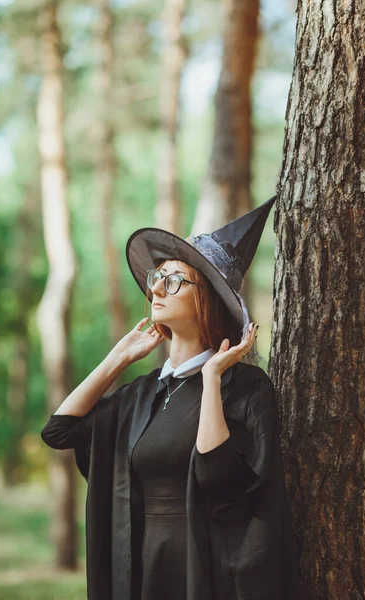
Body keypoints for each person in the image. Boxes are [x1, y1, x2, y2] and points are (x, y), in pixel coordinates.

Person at [41, 195, 300, 600]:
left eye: (174, 279)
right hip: (140, 570)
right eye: (156, 277)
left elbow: (217, 477)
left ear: (206, 298)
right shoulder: (141, 395)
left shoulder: (244, 389)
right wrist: (118, 358)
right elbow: (59, 430)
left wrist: (212, 376)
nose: (157, 286)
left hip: (205, 577)